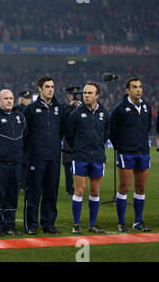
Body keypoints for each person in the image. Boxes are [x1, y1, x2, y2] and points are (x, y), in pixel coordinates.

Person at [23, 76, 66, 235]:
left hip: (54, 156)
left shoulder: (59, 109)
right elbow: (25, 133)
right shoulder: (31, 109)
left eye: (52, 86)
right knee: (33, 192)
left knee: (51, 192)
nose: (50, 89)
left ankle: (48, 224)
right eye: (47, 86)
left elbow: (61, 131)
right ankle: (31, 225)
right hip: (36, 156)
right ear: (40, 89)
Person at [65, 83, 109, 234]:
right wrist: (79, 148)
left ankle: (93, 224)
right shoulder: (76, 113)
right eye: (84, 93)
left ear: (97, 95)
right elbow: (70, 135)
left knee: (95, 191)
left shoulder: (104, 113)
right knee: (80, 190)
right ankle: (76, 224)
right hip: (80, 157)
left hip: (97, 157)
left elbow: (105, 134)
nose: (86, 95)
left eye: (90, 93)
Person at [110, 77, 152, 232]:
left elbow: (147, 127)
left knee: (140, 188)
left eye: (140, 87)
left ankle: (138, 221)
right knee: (124, 187)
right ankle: (121, 222)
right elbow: (112, 132)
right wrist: (122, 146)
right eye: (134, 87)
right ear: (128, 90)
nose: (138, 90)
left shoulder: (147, 106)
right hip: (126, 152)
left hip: (143, 151)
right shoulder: (119, 109)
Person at [0, 89, 27, 236]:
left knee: (12, 196)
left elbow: (25, 139)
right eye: (6, 98)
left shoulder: (20, 117)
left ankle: (10, 226)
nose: (9, 101)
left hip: (16, 165)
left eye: (11, 98)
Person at [62, 86, 81, 196]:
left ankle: (78, 186)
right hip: (68, 140)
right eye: (73, 95)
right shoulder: (65, 107)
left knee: (80, 164)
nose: (75, 97)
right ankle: (69, 188)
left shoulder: (82, 107)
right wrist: (70, 106)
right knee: (68, 165)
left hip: (79, 140)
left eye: (77, 95)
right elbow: (63, 118)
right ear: (69, 96)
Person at [13, 89, 33, 191]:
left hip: (28, 139)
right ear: (21, 99)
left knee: (26, 163)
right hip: (18, 139)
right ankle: (18, 183)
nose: (27, 100)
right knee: (18, 163)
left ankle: (24, 183)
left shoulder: (32, 109)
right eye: (25, 98)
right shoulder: (16, 109)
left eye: (29, 98)